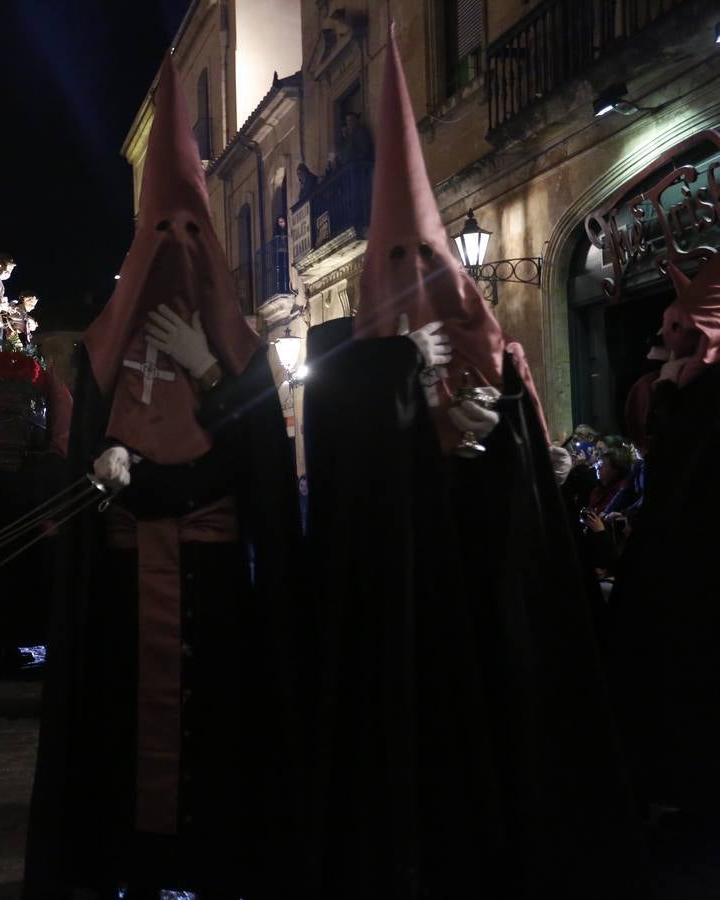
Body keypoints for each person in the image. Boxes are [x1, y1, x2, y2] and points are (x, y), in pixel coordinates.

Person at [300, 29, 642, 898]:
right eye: (395, 260)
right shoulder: (343, 360)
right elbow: (346, 484)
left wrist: (496, 445)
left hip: (483, 600)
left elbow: (530, 512)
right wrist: (400, 385)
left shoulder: (497, 355)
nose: (412, 274)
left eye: (426, 256)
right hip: (397, 611)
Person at [25, 57, 303, 898]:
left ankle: (213, 861)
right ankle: (126, 866)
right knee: (118, 729)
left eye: (193, 235)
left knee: (214, 731)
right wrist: (103, 464)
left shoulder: (242, 352)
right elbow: (84, 459)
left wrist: (210, 372)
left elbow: (255, 464)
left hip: (214, 585)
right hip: (121, 585)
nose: (177, 250)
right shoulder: (99, 348)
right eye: (161, 236)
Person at [611, 251, 720, 821]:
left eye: (681, 327)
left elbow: (678, 469)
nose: (667, 335)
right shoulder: (678, 388)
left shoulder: (697, 396)